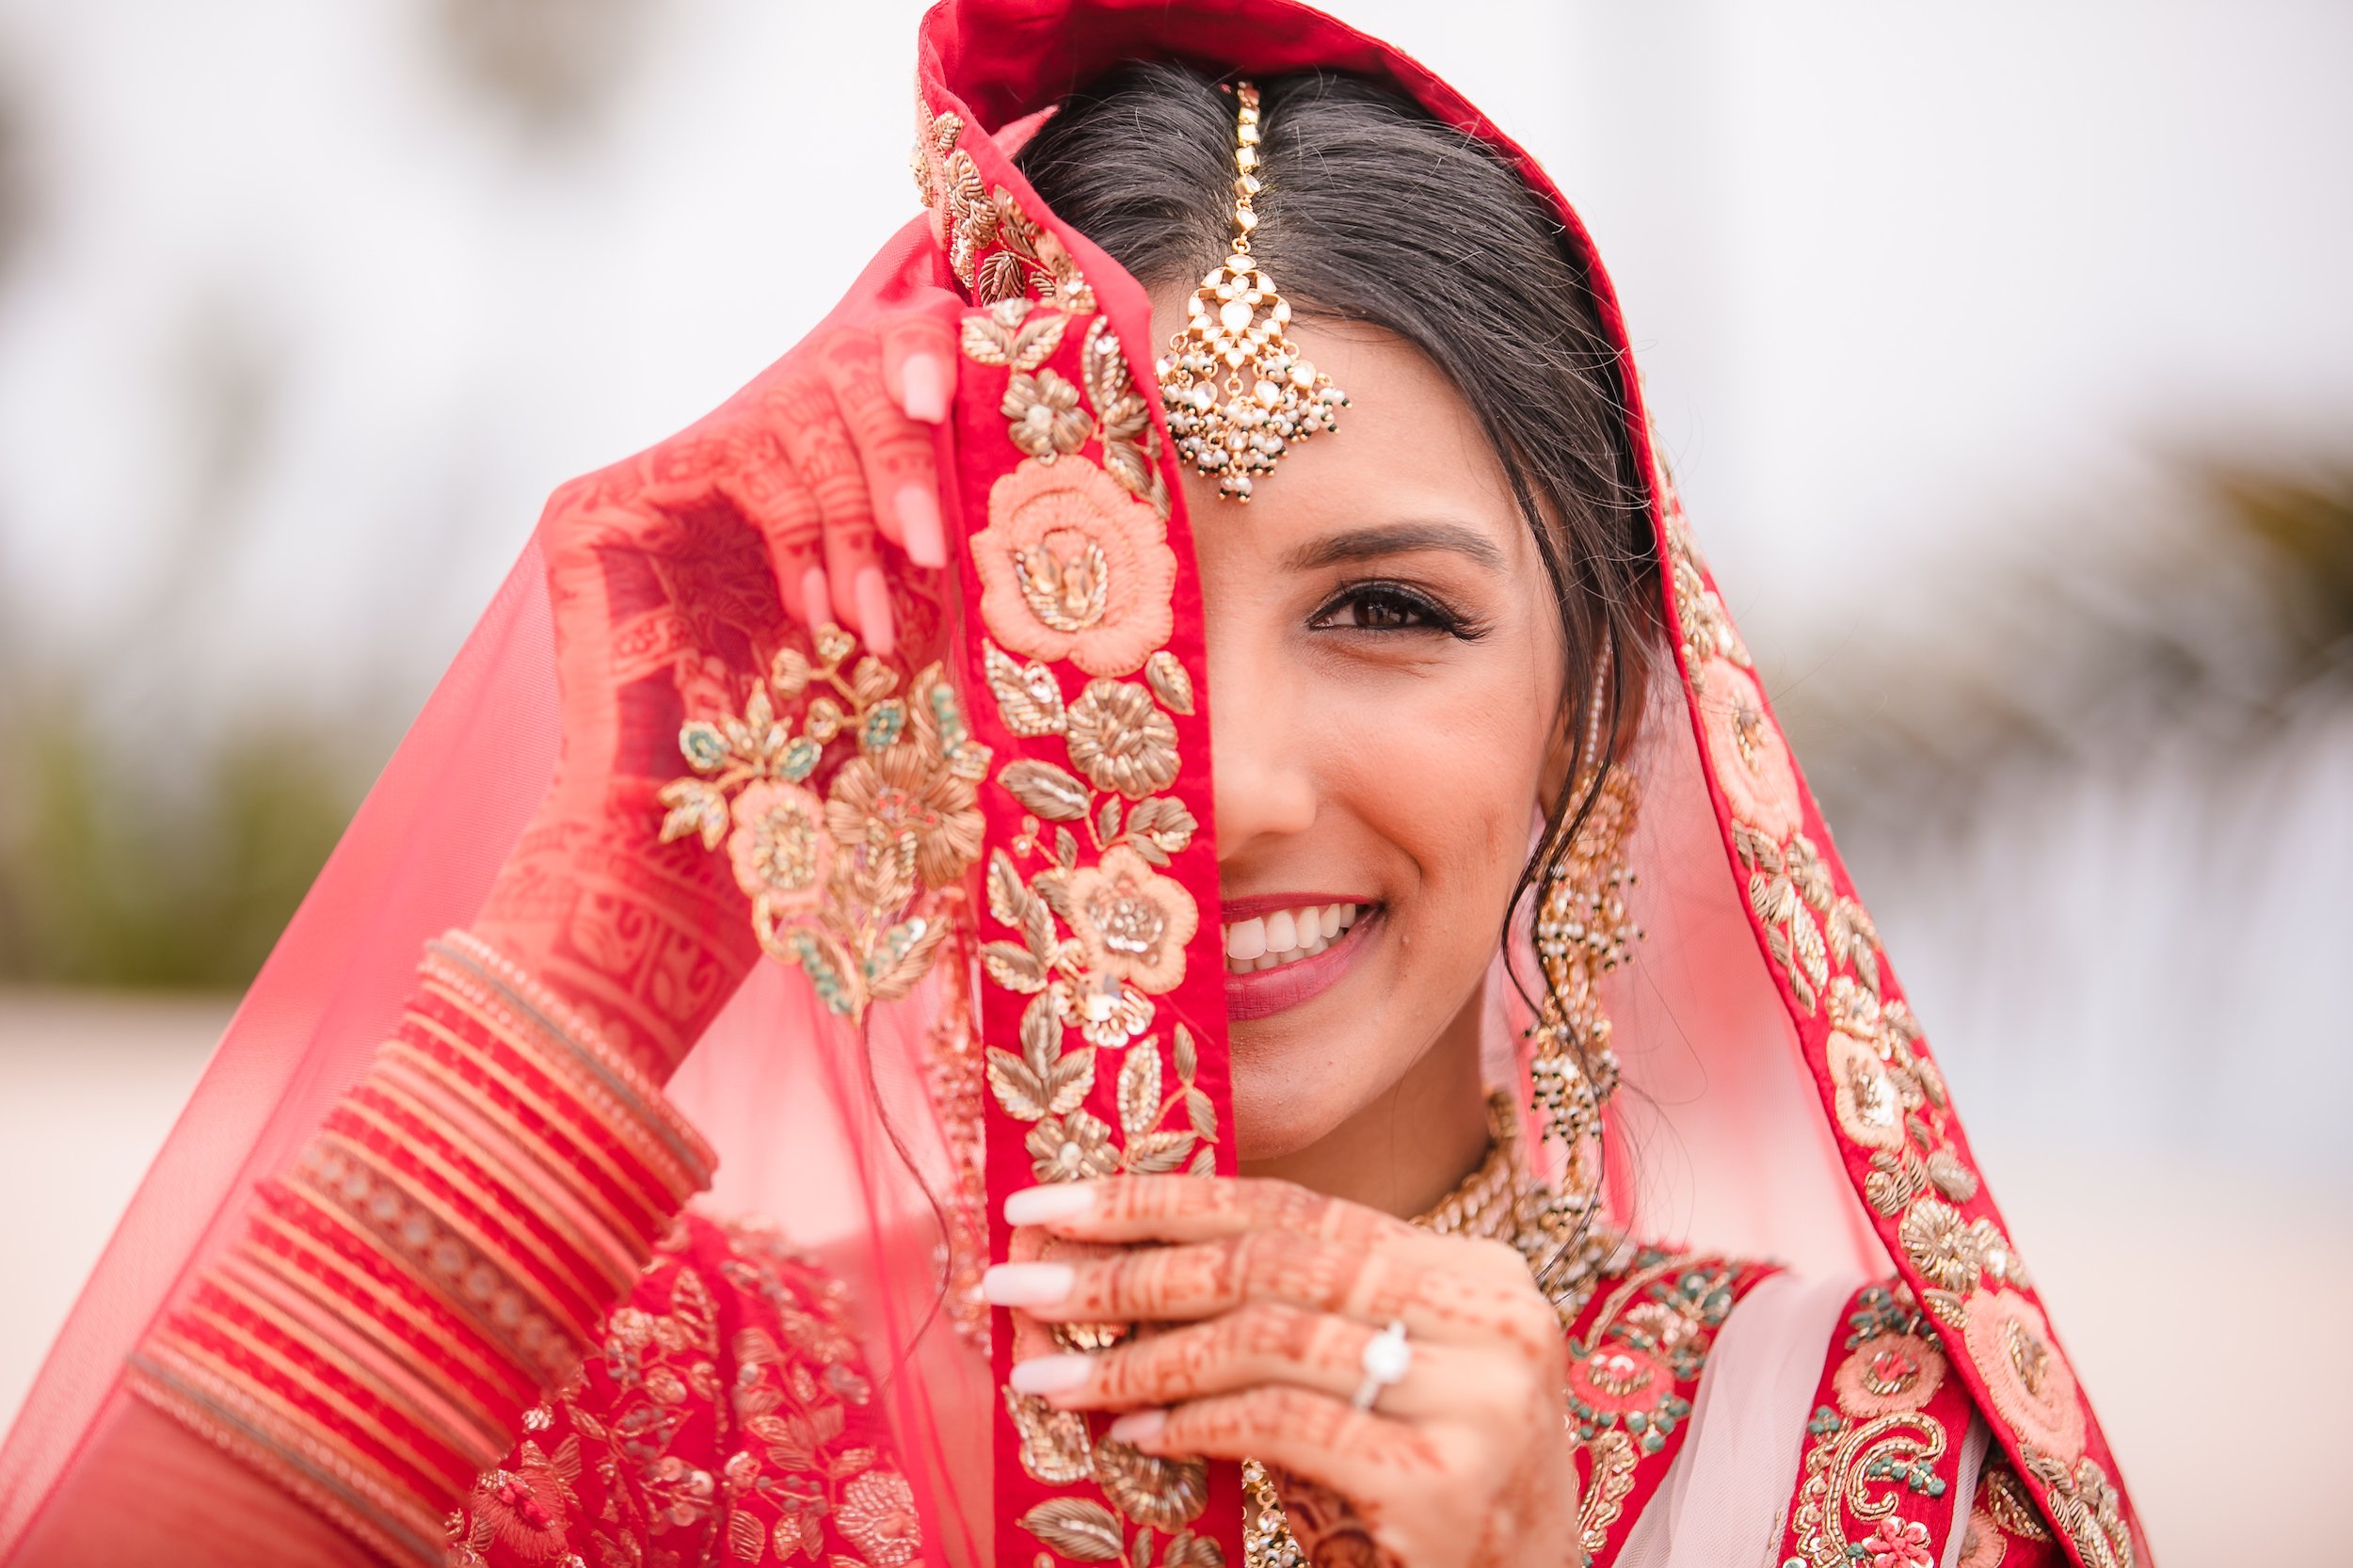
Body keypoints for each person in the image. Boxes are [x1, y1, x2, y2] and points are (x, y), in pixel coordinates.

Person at [0, 3, 2149, 1566]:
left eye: (1383, 611)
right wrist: (623, 892)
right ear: (932, 668)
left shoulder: (1847, 1472)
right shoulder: (656, 1415)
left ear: (1592, 708)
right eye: (1085, 611)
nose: (1221, 785)